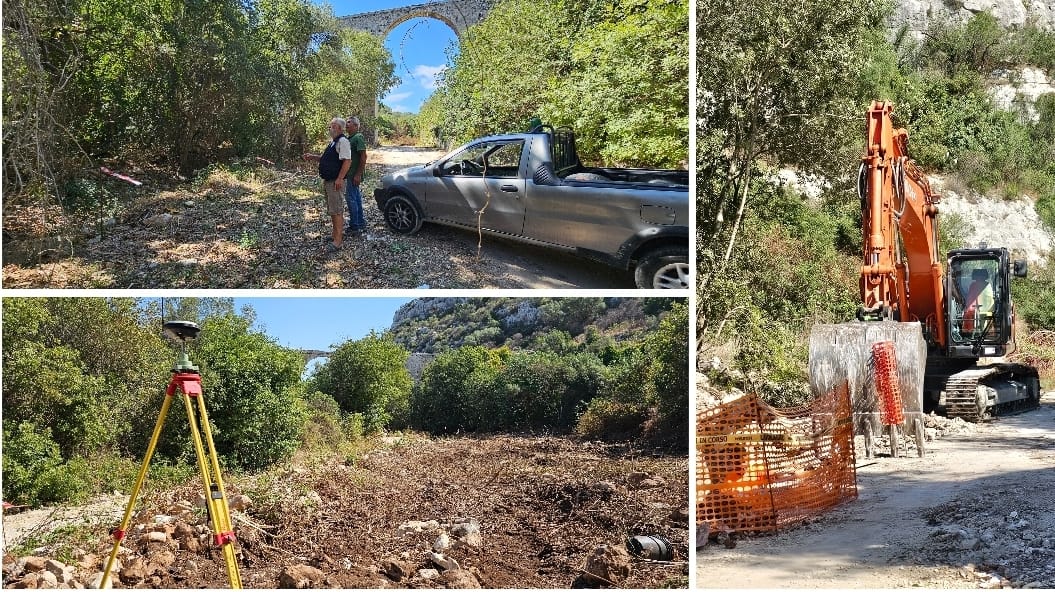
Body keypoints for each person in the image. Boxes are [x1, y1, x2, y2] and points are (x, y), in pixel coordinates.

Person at [303, 118, 351, 252]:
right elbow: (327, 159)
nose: (330, 128)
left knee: (337, 211)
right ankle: (334, 235)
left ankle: (338, 241)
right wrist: (313, 157)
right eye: (330, 126)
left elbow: (347, 161)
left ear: (340, 129)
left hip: (336, 181)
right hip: (329, 181)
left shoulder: (343, 141)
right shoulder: (333, 142)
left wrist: (340, 179)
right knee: (332, 210)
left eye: (333, 126)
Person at [344, 116, 368, 237]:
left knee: (351, 199)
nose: (346, 124)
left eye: (349, 122)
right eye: (346, 122)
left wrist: (358, 174)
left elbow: (363, 157)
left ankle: (354, 226)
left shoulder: (358, 137)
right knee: (356, 198)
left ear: (356, 126)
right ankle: (360, 222)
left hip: (353, 175)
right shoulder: (350, 138)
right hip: (350, 174)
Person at [963, 268, 995, 334]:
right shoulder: (988, 285)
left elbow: (970, 300)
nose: (979, 277)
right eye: (978, 275)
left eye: (981, 275)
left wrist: (970, 308)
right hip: (987, 311)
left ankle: (970, 333)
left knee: (968, 315)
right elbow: (990, 301)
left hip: (976, 311)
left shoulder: (973, 285)